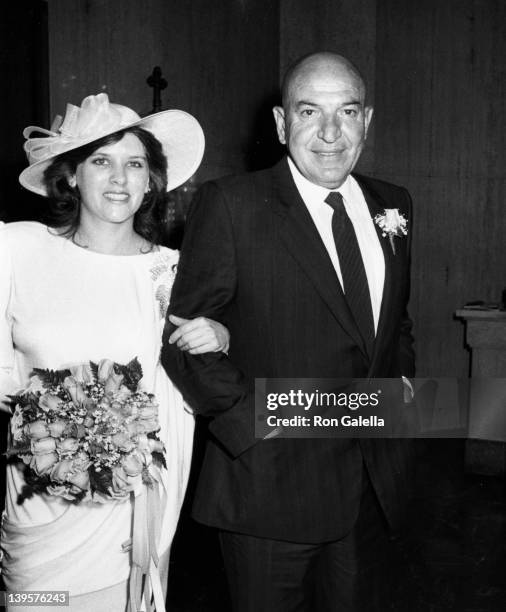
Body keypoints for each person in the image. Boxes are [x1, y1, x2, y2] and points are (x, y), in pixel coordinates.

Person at [162, 51, 415, 611]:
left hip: (368, 493)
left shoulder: (393, 205)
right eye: (309, 112)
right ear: (281, 124)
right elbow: (182, 341)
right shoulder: (231, 205)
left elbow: (396, 325)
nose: (330, 133)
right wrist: (251, 424)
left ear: (366, 121)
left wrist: (398, 402)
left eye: (347, 112)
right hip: (268, 493)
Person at [0, 93, 229, 611]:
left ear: (151, 181)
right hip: (39, 510)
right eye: (101, 161)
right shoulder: (17, 250)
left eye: (135, 164)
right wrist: (52, 422)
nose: (119, 178)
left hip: (130, 515)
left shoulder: (174, 274)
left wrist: (220, 336)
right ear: (72, 176)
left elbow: (199, 385)